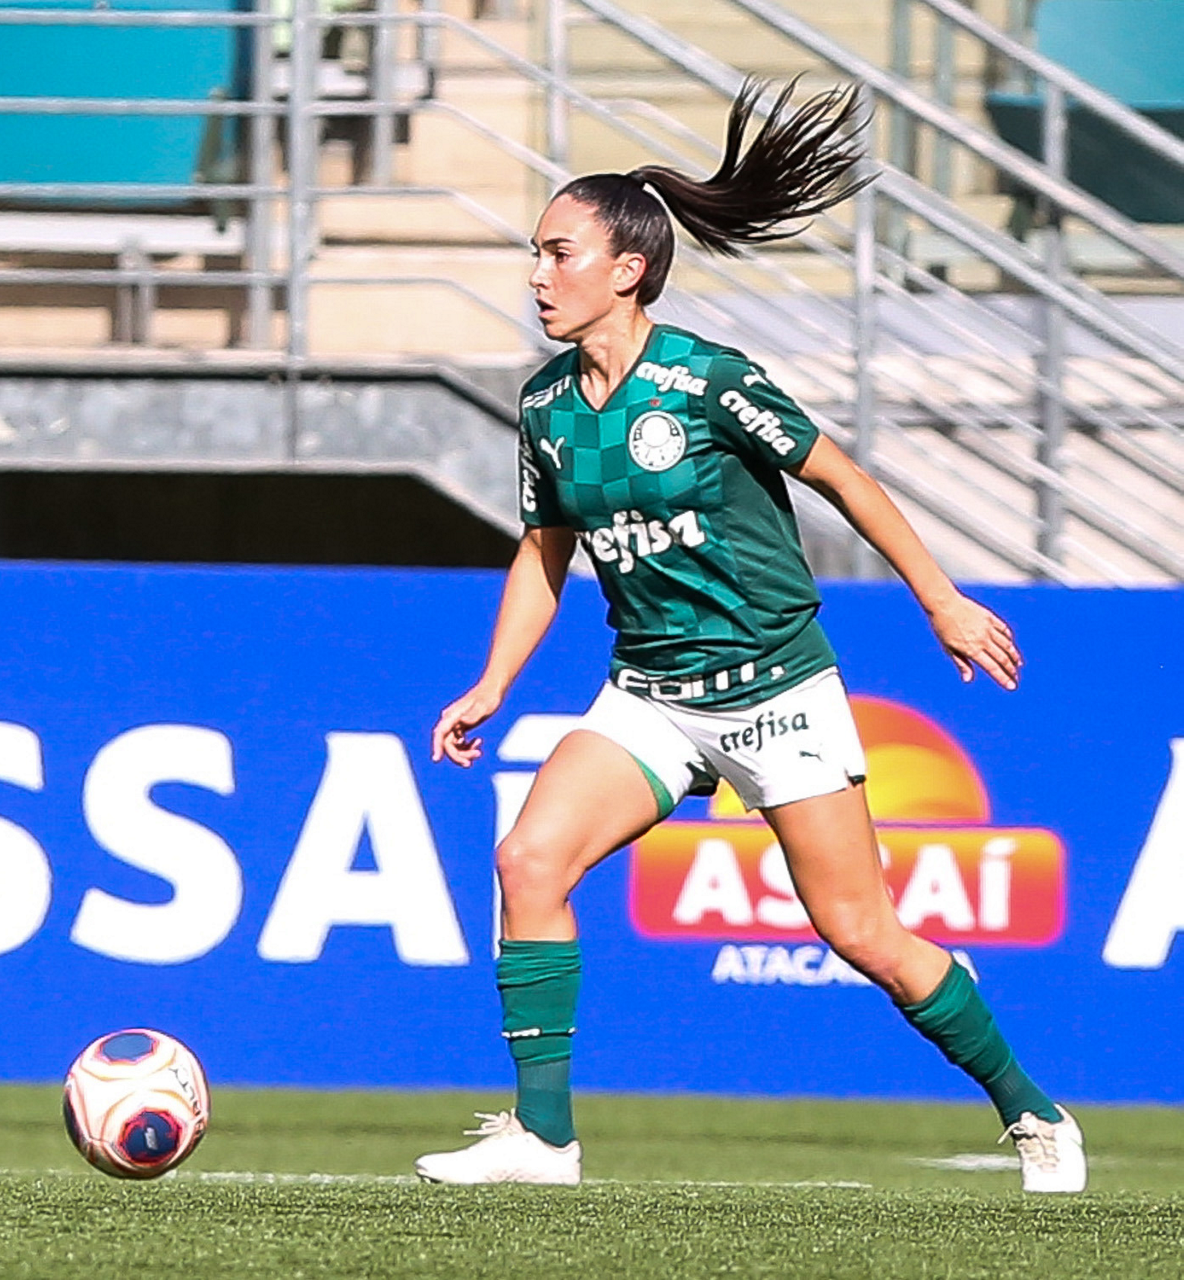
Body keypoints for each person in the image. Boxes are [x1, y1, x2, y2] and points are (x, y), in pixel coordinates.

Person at [415, 79, 1086, 1194]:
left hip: (773, 690)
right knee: (528, 860)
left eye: (557, 253)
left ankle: (1033, 1112)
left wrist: (940, 601)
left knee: (860, 931)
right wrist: (492, 683)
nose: (536, 274)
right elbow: (544, 551)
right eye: (534, 254)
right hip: (650, 693)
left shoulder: (708, 380)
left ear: (627, 268)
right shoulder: (544, 407)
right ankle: (542, 1136)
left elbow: (844, 479)